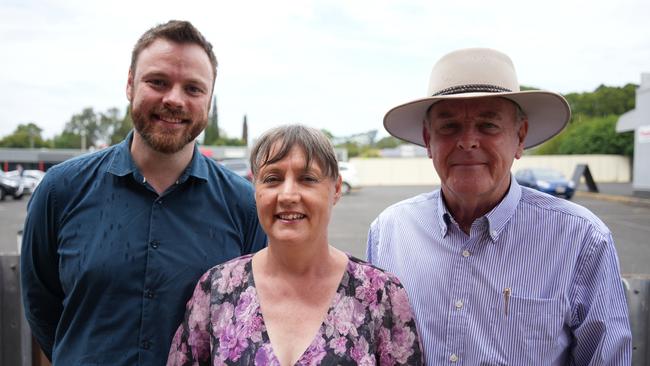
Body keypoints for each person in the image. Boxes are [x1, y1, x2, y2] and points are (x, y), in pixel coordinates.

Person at [21, 20, 266, 365]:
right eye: (158, 82)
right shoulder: (60, 191)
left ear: (209, 100)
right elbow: (41, 307)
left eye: (193, 89)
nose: (174, 99)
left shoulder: (244, 205)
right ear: (129, 84)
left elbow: (252, 319)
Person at [367, 48, 632, 364]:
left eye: (488, 125)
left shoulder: (580, 238)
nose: (468, 141)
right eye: (449, 127)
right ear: (428, 139)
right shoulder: (389, 232)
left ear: (520, 137)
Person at [167, 125, 424, 365]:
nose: (288, 195)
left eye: (307, 178)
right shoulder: (216, 290)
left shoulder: (380, 294)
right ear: (256, 191)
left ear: (335, 189)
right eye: (272, 179)